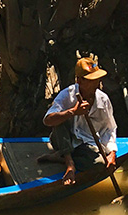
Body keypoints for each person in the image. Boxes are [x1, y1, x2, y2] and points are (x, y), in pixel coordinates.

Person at [39, 56, 118, 185]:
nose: (96, 83)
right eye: (91, 80)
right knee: (59, 118)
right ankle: (69, 164)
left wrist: (112, 153)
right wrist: (72, 112)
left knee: (99, 164)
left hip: (86, 144)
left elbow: (110, 128)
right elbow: (47, 121)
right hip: (63, 140)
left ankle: (60, 157)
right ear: (79, 81)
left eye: (97, 79)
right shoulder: (67, 95)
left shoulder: (103, 100)